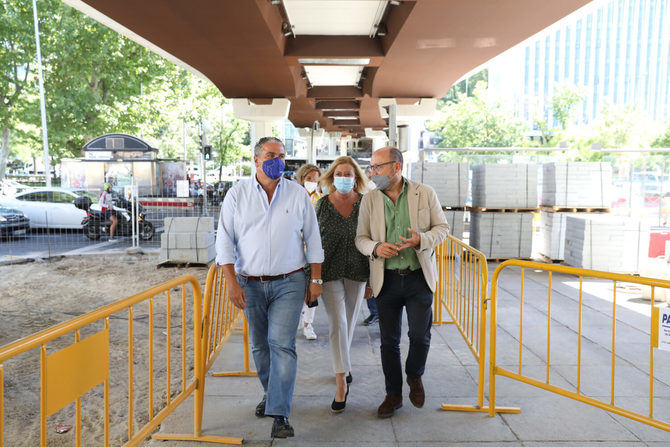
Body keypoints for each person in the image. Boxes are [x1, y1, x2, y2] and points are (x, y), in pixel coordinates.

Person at [215, 137, 324, 439]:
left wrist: (315, 279)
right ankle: (272, 394)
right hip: (249, 284)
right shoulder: (237, 195)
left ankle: (281, 413)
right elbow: (224, 240)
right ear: (256, 159)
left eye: (282, 155)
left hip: (290, 282)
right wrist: (230, 282)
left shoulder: (297, 194)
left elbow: (313, 239)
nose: (277, 160)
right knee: (260, 347)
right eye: (270, 154)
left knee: (282, 345)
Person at [355, 146, 448, 418]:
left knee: (420, 335)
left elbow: (442, 229)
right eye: (371, 168)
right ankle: (393, 394)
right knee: (388, 341)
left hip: (418, 277)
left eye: (377, 167)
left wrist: (422, 239)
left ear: (396, 167)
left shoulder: (424, 193)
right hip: (387, 280)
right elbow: (361, 238)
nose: (372, 173)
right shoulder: (370, 200)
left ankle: (414, 375)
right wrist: (375, 247)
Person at [315, 156, 370, 413]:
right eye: (339, 173)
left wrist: (373, 279)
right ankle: (341, 383)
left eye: (348, 174)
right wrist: (311, 277)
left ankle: (343, 366)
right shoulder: (323, 205)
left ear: (356, 178)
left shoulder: (367, 204)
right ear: (332, 176)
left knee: (347, 324)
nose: (344, 178)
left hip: (358, 271)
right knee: (337, 322)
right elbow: (313, 240)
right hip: (329, 271)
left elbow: (374, 238)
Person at [295, 163, 323, 340]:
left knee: (312, 287)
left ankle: (308, 324)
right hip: (294, 251)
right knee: (295, 288)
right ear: (301, 179)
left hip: (312, 252)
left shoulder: (322, 200)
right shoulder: (294, 197)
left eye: (316, 179)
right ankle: (297, 320)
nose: (312, 182)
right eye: (309, 179)